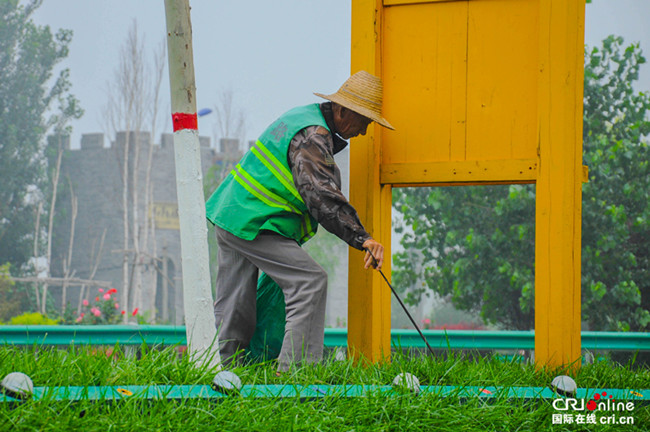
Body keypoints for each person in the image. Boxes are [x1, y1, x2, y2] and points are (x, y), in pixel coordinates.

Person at [205, 70, 394, 373]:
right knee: (310, 281)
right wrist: (363, 238)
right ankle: (295, 377)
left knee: (235, 307)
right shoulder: (313, 136)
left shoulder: (301, 119)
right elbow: (320, 194)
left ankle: (224, 375)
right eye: (365, 121)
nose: (364, 131)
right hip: (256, 221)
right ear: (344, 111)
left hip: (231, 215)